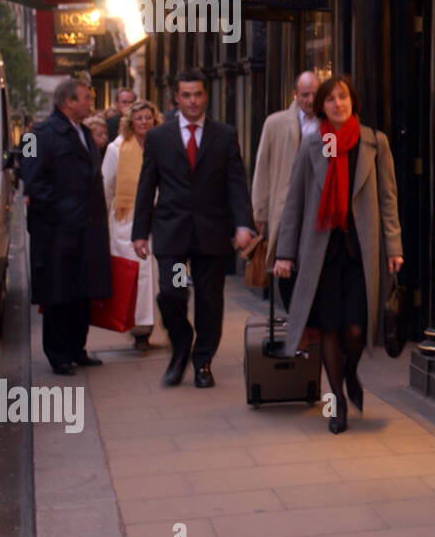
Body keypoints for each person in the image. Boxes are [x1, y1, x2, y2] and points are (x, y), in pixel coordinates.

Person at [274, 75, 403, 434]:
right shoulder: (311, 146)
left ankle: (349, 373)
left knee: (356, 327)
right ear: (322, 107)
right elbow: (293, 204)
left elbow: (388, 201)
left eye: (342, 97)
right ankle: (339, 402)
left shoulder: (375, 143)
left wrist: (394, 247)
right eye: (330, 100)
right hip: (322, 255)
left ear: (352, 102)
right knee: (329, 326)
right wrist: (284, 253)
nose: (337, 104)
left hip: (361, 252)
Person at [132, 69, 255, 388]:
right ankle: (181, 342)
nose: (192, 101)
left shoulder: (224, 135)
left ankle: (202, 363)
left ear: (205, 96)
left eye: (198, 94)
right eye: (186, 95)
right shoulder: (160, 138)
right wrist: (139, 232)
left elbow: (236, 183)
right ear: (176, 98)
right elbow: (147, 186)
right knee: (172, 294)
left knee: (209, 301)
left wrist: (244, 224)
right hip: (173, 236)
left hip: (211, 236)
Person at [24, 78, 112, 374]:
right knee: (58, 295)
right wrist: (62, 215)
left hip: (87, 230)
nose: (91, 103)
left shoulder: (85, 133)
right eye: (86, 98)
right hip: (57, 233)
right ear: (69, 102)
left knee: (81, 293)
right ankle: (58, 354)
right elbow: (34, 183)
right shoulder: (40, 134)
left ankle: (78, 348)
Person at [251, 71, 319, 310]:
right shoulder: (276, 123)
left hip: (318, 209)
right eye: (304, 95)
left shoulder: (329, 124)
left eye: (314, 94)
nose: (310, 100)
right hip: (284, 209)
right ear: (294, 95)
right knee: (284, 267)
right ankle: (295, 320)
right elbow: (263, 167)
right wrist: (259, 211)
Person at [102, 99, 163, 352]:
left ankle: (154, 325)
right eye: (139, 118)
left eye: (148, 118)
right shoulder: (116, 149)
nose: (144, 122)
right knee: (133, 276)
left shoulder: (163, 145)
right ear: (130, 122)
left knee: (158, 276)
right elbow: (105, 185)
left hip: (157, 219)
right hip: (125, 220)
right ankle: (137, 329)